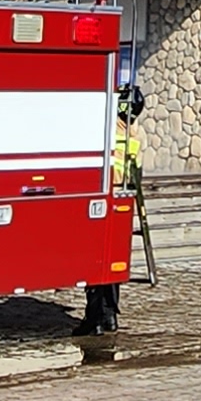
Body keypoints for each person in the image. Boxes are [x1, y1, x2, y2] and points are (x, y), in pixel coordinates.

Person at [74, 84, 145, 335]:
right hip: (122, 203)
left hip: (103, 200)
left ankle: (94, 318)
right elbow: (136, 174)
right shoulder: (136, 134)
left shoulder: (108, 130)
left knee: (96, 262)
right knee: (112, 260)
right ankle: (110, 316)